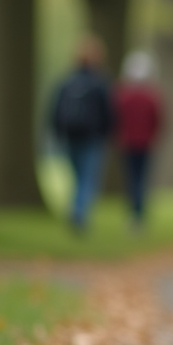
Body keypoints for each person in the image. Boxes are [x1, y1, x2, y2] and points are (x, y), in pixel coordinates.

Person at [50, 35, 115, 233]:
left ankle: (75, 209)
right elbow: (108, 112)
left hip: (70, 135)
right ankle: (79, 213)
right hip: (92, 137)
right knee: (87, 178)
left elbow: (55, 109)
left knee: (78, 177)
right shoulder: (99, 83)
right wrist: (108, 133)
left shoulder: (67, 81)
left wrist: (57, 132)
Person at [114, 51, 165, 231]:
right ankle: (139, 212)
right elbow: (158, 119)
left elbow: (116, 118)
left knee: (132, 178)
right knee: (141, 178)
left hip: (128, 142)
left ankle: (135, 212)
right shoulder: (151, 96)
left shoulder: (123, 95)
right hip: (145, 143)